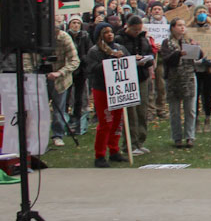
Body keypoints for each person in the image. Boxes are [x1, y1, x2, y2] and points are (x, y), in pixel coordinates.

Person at [84, 23, 129, 168]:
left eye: (111, 32)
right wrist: (110, 60)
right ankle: (100, 154)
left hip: (118, 89)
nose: (110, 34)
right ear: (99, 35)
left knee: (117, 121)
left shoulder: (120, 48)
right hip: (102, 89)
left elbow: (128, 62)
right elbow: (93, 68)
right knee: (106, 123)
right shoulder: (94, 51)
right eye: (106, 32)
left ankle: (114, 150)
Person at [115, 15, 154, 154]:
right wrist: (132, 59)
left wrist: (146, 59)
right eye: (134, 30)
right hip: (128, 77)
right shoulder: (119, 39)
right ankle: (130, 143)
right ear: (128, 27)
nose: (137, 32)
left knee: (142, 110)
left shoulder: (143, 38)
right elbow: (118, 58)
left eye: (139, 30)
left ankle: (140, 140)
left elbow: (150, 53)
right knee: (131, 113)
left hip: (142, 76)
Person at [159, 18, 201, 148]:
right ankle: (177, 137)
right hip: (173, 79)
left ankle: (190, 136)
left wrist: (197, 48)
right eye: (179, 25)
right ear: (172, 27)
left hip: (188, 77)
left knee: (190, 109)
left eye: (184, 25)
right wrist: (178, 54)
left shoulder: (188, 41)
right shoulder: (167, 43)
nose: (182, 28)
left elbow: (199, 56)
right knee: (175, 111)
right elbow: (166, 59)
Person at [45, 23, 80, 147]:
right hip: (42, 77)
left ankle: (58, 135)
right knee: (41, 109)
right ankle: (41, 135)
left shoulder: (64, 38)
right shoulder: (40, 39)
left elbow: (75, 60)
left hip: (60, 78)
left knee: (58, 109)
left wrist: (60, 72)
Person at [190, 8, 211, 132]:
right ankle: (196, 119)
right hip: (196, 68)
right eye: (199, 12)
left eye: (204, 12)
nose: (201, 14)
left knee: (207, 94)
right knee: (195, 95)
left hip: (208, 68)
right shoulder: (190, 31)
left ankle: (207, 118)